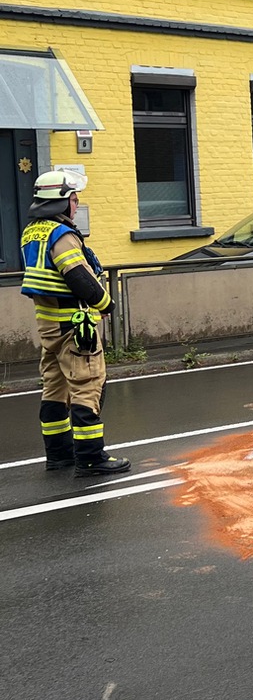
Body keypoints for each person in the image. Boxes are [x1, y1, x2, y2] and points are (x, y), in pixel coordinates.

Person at [20, 170, 131, 477]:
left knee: (54, 388)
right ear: (60, 202)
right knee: (87, 386)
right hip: (74, 326)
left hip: (49, 326)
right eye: (73, 198)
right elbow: (78, 275)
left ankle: (58, 455)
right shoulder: (62, 235)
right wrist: (106, 304)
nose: (76, 203)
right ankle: (91, 458)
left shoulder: (33, 231)